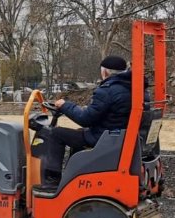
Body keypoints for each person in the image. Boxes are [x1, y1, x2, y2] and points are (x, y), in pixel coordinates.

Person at [36, 55, 134, 191]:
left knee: (55, 133)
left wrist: (65, 105)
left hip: (103, 139)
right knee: (77, 134)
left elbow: (85, 119)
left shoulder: (108, 90)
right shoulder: (131, 87)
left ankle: (51, 182)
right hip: (115, 136)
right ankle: (73, 177)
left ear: (105, 72)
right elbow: (100, 113)